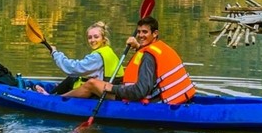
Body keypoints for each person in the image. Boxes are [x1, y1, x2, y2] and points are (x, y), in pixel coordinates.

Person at [63, 16, 196, 103]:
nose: (140, 35)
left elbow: (139, 91)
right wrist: (138, 47)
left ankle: (58, 100)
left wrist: (112, 88)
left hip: (149, 100)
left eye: (145, 32)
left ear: (155, 33)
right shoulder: (159, 48)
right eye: (139, 32)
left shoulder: (148, 56)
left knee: (92, 83)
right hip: (177, 97)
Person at [41, 21, 121, 95]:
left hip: (102, 92)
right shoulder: (108, 51)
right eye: (90, 37)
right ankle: (53, 92)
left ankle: (51, 97)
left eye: (96, 37)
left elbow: (74, 68)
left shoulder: (97, 56)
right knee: (74, 78)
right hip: (110, 87)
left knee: (72, 77)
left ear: (103, 39)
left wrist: (56, 54)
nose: (92, 40)